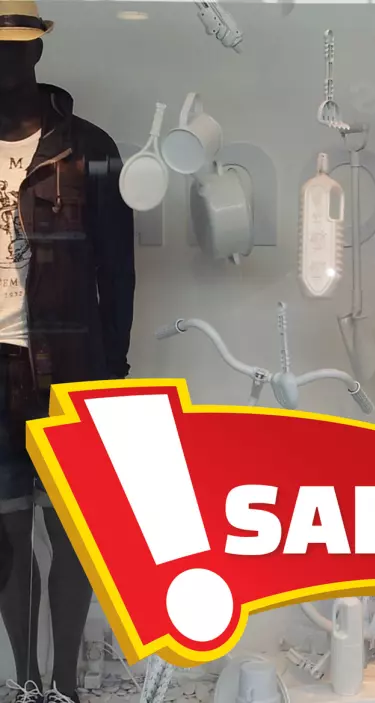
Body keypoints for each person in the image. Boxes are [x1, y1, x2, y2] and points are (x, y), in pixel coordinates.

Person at [0, 3, 135, 702]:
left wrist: (113, 372)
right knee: (6, 532)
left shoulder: (88, 148)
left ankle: (63, 684)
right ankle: (25, 679)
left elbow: (119, 271)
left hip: (71, 367)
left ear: (37, 52)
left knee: (73, 530)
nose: (4, 59)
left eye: (15, 46)